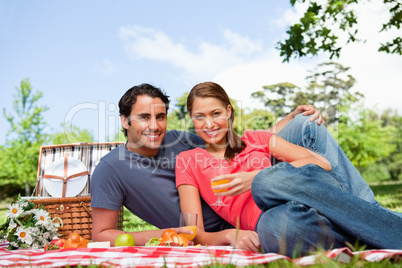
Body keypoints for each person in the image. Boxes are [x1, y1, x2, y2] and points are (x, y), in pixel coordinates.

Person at [175, 81, 402, 257]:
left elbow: (322, 164)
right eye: (200, 117)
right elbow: (193, 232)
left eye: (215, 114)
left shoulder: (256, 139)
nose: (209, 124)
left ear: (228, 111)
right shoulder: (188, 161)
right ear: (192, 119)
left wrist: (254, 178)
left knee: (264, 182)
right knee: (275, 227)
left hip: (315, 198)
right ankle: (369, 235)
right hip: (281, 219)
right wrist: (229, 234)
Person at [90, 83, 324, 246]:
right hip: (214, 231)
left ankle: (354, 201)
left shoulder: (178, 140)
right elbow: (100, 235)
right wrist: (169, 234)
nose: (154, 126)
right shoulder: (110, 169)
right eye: (144, 117)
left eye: (160, 117)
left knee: (307, 122)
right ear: (125, 120)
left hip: (248, 203)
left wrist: (289, 119)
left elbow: (240, 145)